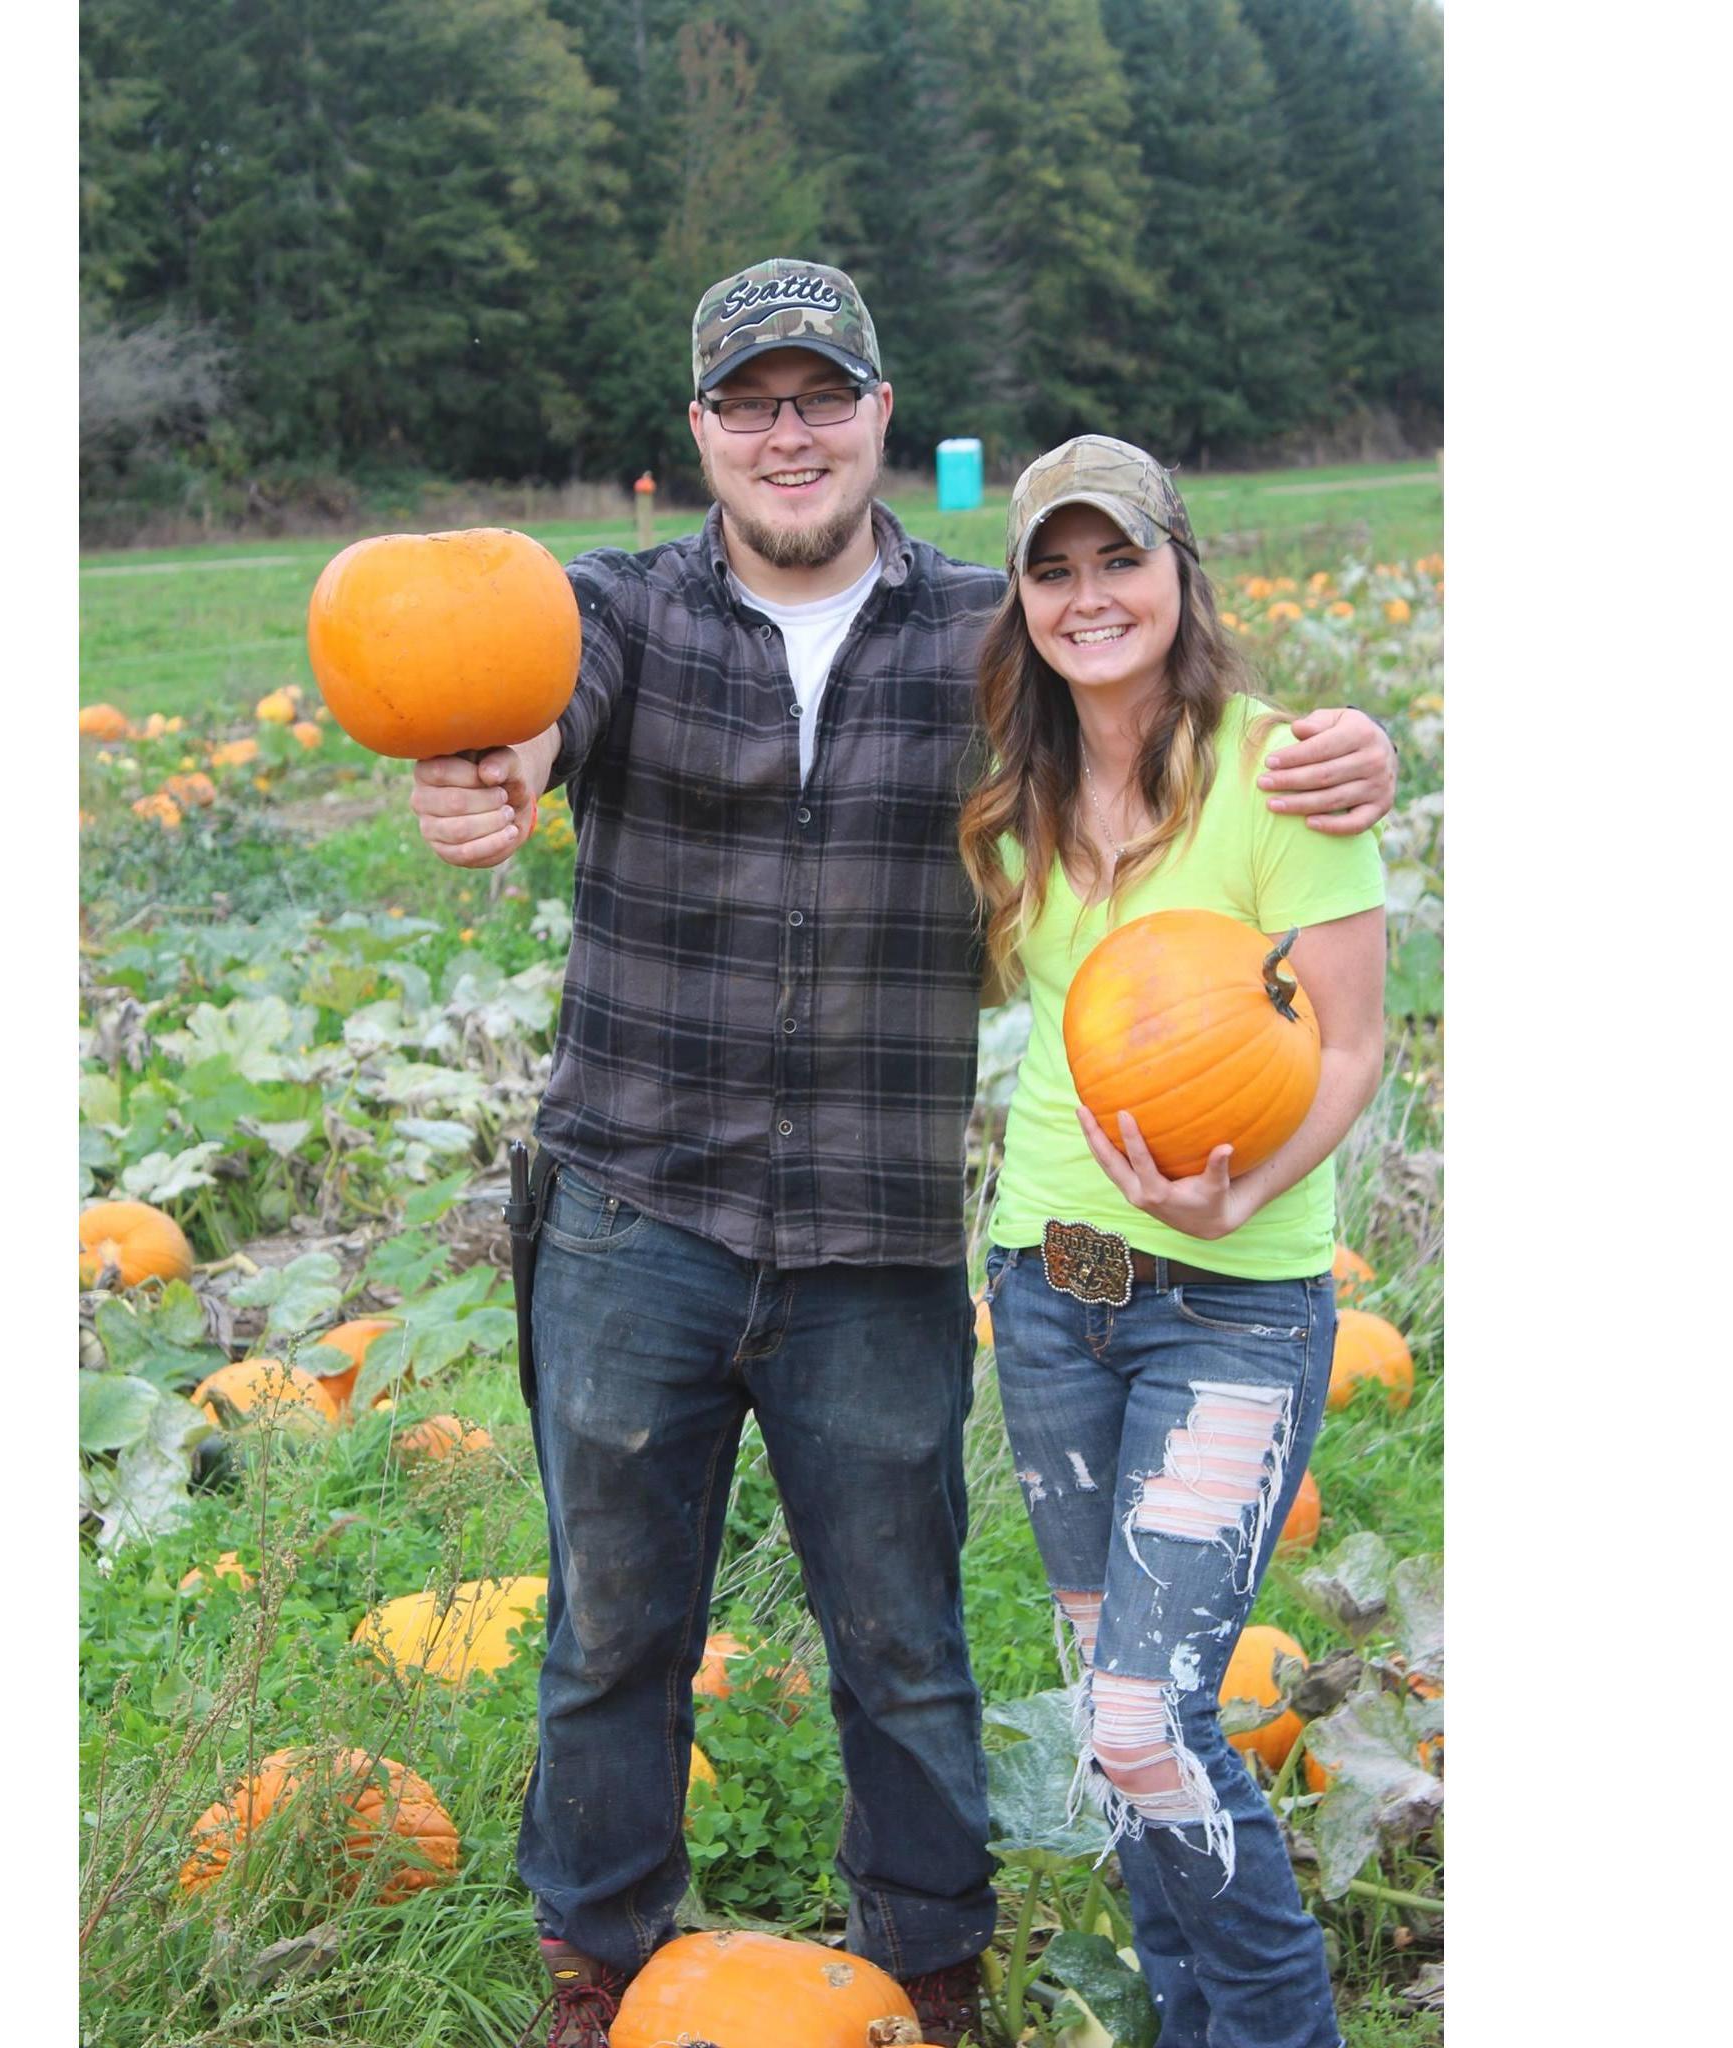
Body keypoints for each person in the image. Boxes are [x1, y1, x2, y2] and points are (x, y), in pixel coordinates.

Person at [408, 261, 1398, 2048]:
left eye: (824, 396)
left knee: (906, 1635)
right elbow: (525, 708)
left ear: (880, 415)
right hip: (638, 1209)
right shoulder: (616, 613)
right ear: (701, 432)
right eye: (751, 402)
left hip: (871, 1232)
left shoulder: (984, 636)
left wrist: (1346, 753)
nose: (790, 433)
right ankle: (599, 1964)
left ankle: (927, 1978)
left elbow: (1165, 713)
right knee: (613, 1626)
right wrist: (484, 764)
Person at [959, 434, 1387, 2048]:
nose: (1090, 598)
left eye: (1119, 561)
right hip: (1052, 1297)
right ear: (1022, 599)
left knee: (1146, 1718)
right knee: (1116, 1714)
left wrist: (1244, 1182)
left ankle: (1280, 2033)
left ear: (1178, 574)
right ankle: (1194, 2020)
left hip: (1231, 1302)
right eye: (1053, 570)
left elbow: (1350, 1046)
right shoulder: (1016, 787)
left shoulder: (1281, 770)